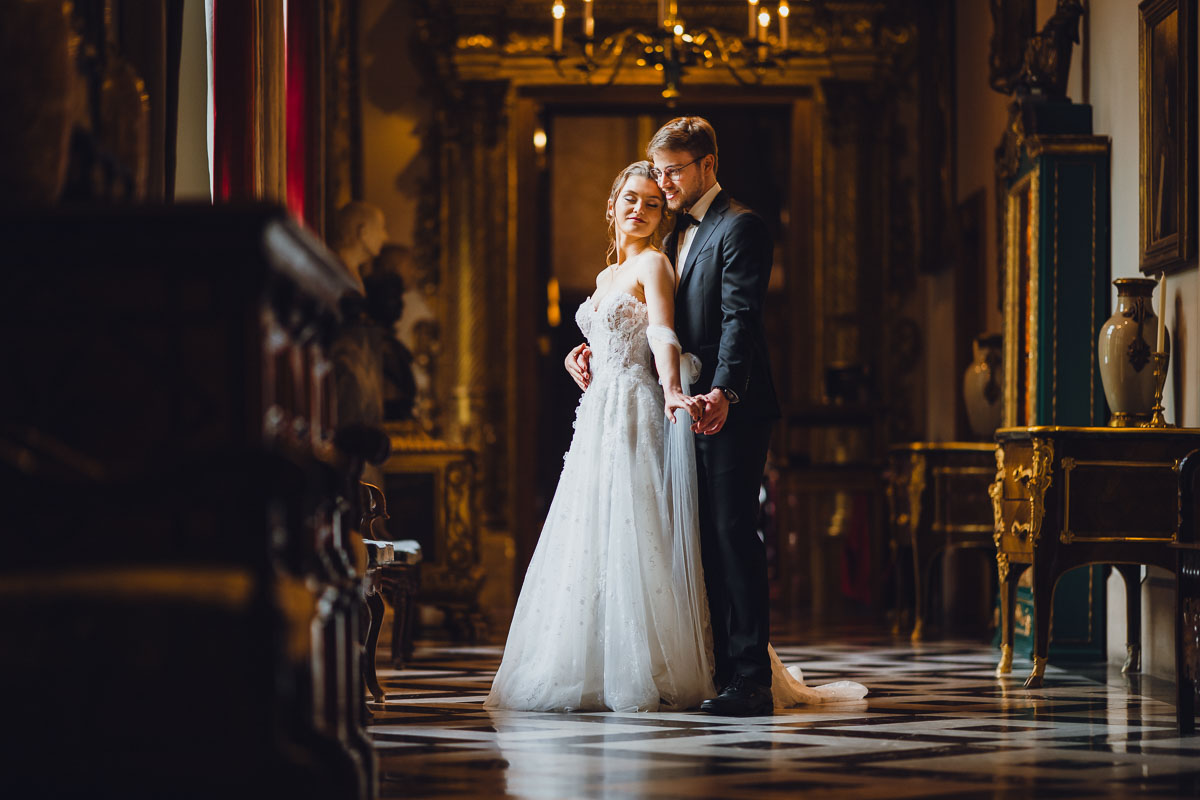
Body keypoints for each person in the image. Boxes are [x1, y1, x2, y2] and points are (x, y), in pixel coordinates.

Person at [488, 158, 865, 714]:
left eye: (652, 202)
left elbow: (663, 332)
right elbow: (614, 328)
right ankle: (597, 659)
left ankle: (670, 664)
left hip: (638, 407)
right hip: (599, 410)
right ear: (612, 204)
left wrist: (669, 389)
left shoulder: (657, 265)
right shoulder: (604, 277)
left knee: (646, 532)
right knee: (596, 531)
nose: (640, 210)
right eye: (631, 199)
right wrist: (583, 351)